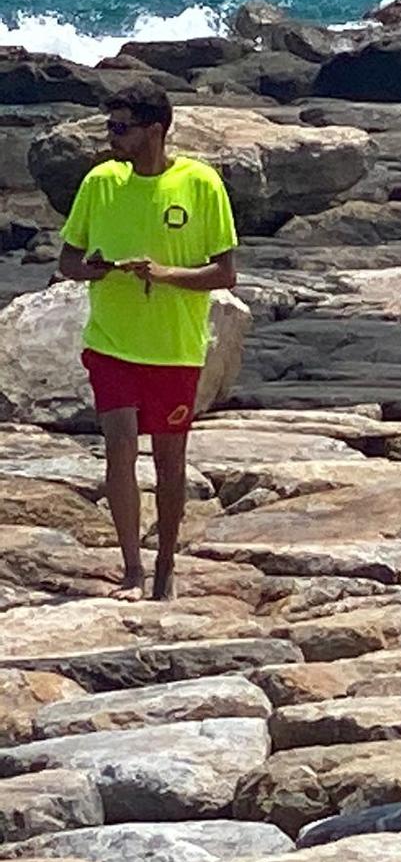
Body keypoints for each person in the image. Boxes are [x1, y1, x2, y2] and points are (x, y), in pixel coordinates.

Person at [56, 82, 238, 602]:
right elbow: (66, 261)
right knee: (118, 448)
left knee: (169, 462)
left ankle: (165, 566)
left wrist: (163, 274)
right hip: (111, 342)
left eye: (121, 128)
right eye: (109, 127)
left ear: (154, 130)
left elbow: (225, 274)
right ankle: (131, 568)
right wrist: (87, 271)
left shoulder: (200, 184)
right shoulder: (100, 183)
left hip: (173, 347)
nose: (112, 137)